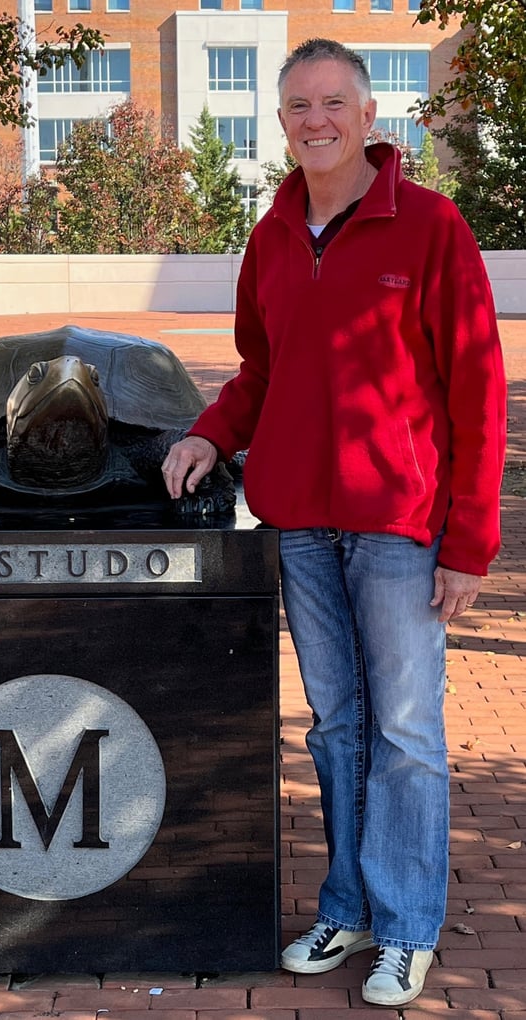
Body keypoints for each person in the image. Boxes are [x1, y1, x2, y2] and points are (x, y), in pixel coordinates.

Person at [162, 37, 506, 1008]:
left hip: (399, 525)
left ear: (367, 116)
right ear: (282, 123)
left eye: (333, 103)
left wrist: (470, 542)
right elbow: (262, 372)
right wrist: (207, 433)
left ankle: (406, 928)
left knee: (405, 730)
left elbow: (479, 388)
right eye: (299, 106)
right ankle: (347, 906)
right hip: (302, 529)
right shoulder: (272, 236)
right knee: (337, 727)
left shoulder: (430, 226)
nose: (316, 120)